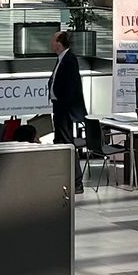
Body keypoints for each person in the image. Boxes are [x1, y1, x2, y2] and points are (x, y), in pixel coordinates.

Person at [50, 30, 86, 193]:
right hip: (58, 108)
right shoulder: (61, 59)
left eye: (53, 40)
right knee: (59, 143)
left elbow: (71, 88)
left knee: (66, 144)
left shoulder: (69, 60)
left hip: (65, 110)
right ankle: (62, 178)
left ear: (59, 43)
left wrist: (64, 106)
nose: (51, 43)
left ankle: (77, 181)